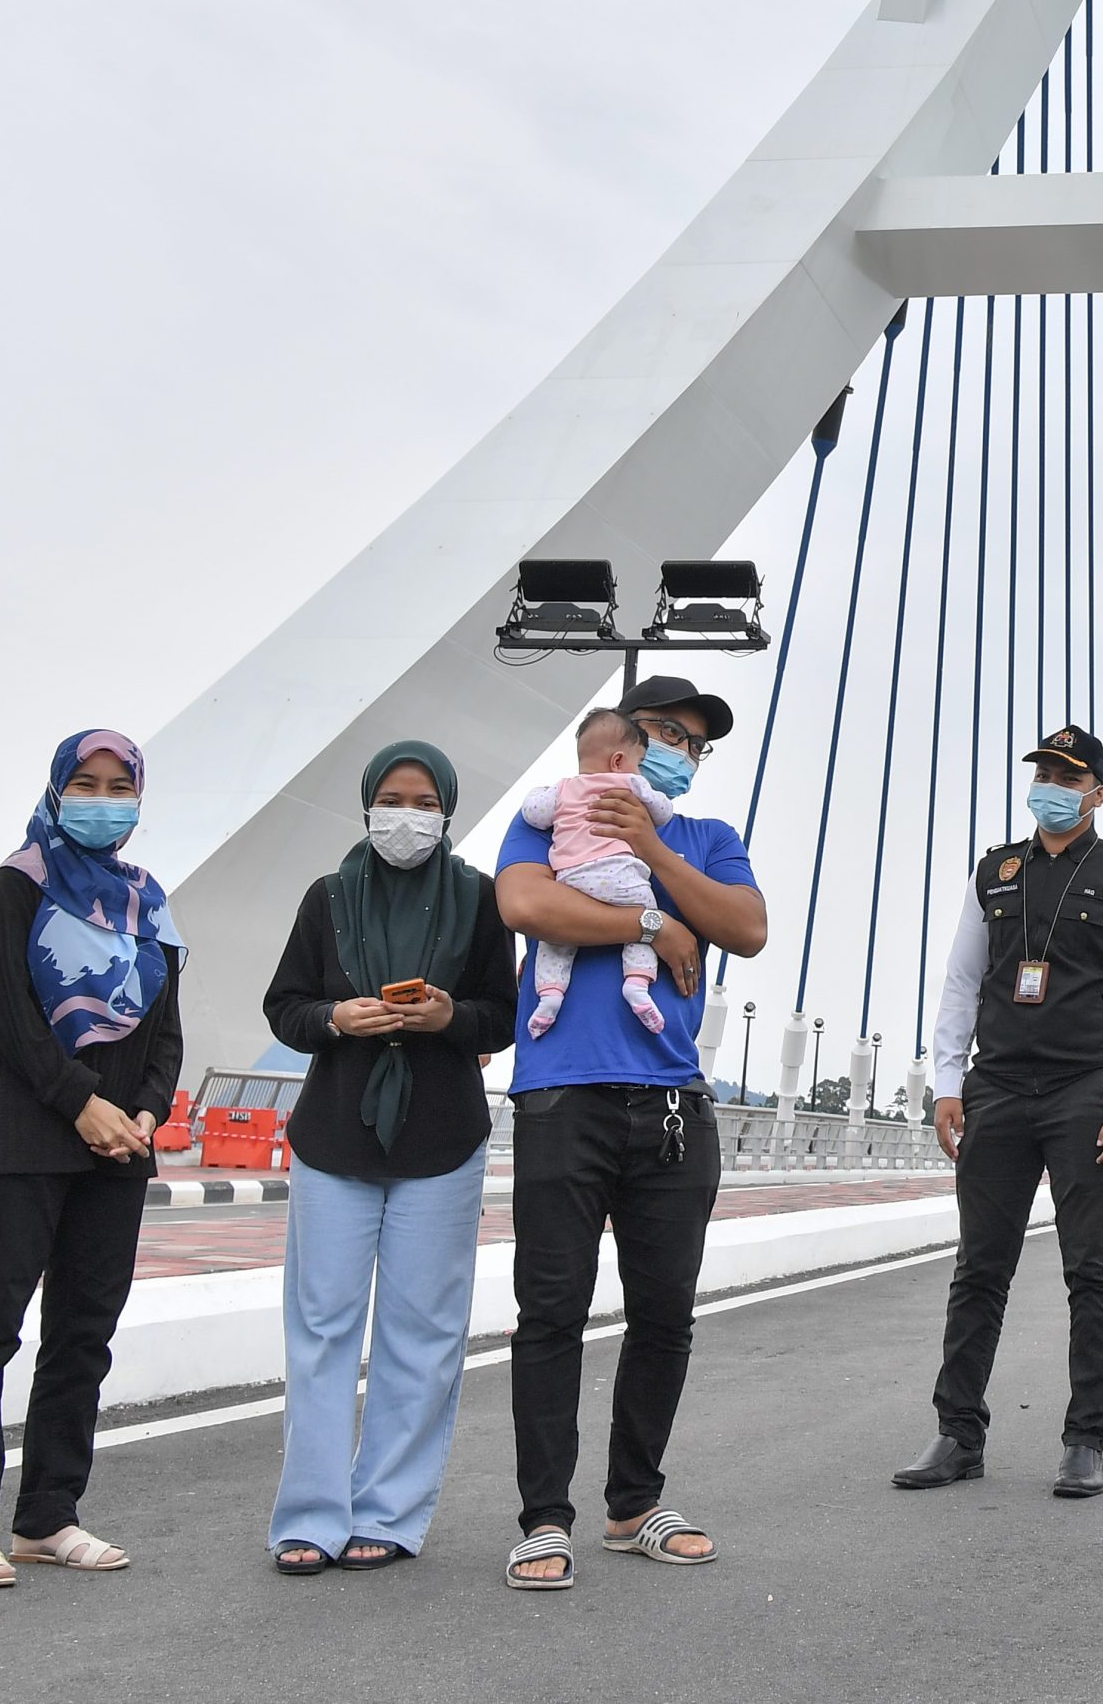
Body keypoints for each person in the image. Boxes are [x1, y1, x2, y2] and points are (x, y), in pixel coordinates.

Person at [494, 675, 767, 1591]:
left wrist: (649, 846)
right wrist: (651, 919)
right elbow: (528, 907)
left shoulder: (706, 838)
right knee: (552, 1311)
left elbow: (744, 927)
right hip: (561, 1095)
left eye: (696, 744)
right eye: (667, 733)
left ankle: (634, 1503)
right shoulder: (551, 814)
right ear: (623, 734)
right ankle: (543, 1518)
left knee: (664, 1314)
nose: (680, 752)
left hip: (673, 1104)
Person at [0, 730, 185, 1589]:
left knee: (82, 1337)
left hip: (119, 1150)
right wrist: (79, 1100)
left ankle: (47, 1515)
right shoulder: (20, 879)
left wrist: (144, 1109)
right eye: (86, 782)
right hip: (25, 1138)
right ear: (57, 788)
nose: (103, 798)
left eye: (119, 785)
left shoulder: (151, 900)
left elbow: (165, 1030)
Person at [895, 724, 1103, 1500]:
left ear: (1099, 791)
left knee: (1092, 1268)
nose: (1050, 784)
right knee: (979, 1266)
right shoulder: (996, 871)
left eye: (1067, 773)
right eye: (1043, 771)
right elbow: (961, 981)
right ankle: (958, 1432)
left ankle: (1085, 1436)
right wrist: (947, 1082)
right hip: (998, 1086)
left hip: (1086, 1089)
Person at [260, 741, 518, 1576]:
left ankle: (391, 1513)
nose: (405, 817)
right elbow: (284, 1005)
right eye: (391, 799)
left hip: (441, 1139)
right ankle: (309, 1515)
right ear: (367, 803)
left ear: (445, 811)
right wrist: (337, 1017)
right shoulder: (328, 897)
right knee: (322, 1328)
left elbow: (501, 1015)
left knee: (422, 1332)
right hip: (335, 1134)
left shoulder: (480, 900)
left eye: (423, 801)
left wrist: (447, 1016)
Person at [517, 709, 676, 1038]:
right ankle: (636, 983)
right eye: (640, 761)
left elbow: (534, 814)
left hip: (572, 882)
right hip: (620, 877)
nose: (640, 769)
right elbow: (663, 812)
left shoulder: (563, 789)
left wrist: (537, 794)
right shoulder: (631, 783)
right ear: (619, 761)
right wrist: (649, 796)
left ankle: (549, 995)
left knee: (555, 940)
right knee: (645, 922)